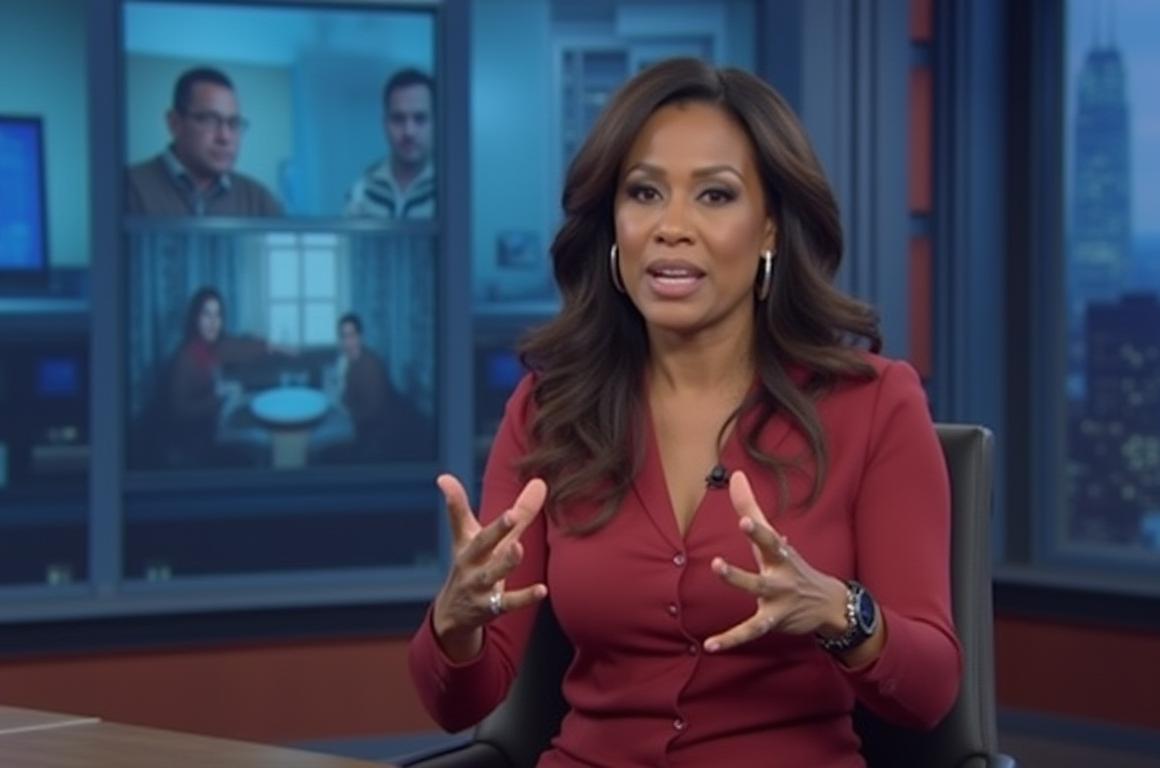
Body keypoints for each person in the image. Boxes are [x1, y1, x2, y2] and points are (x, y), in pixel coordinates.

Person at [408, 58, 960, 766]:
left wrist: (838, 612)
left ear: (770, 229)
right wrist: (455, 622)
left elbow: (930, 692)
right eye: (644, 192)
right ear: (614, 223)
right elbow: (458, 702)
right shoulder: (551, 410)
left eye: (715, 195)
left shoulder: (874, 404)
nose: (671, 227)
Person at [127, 67, 282, 217]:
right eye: (210, 120)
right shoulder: (129, 187)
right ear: (174, 123)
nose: (225, 137)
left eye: (234, 123)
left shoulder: (258, 200)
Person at [163, 286, 275, 465]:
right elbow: (179, 411)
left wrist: (264, 345)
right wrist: (218, 398)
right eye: (206, 315)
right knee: (257, 456)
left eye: (217, 315)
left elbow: (241, 349)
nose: (213, 322)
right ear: (195, 318)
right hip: (194, 445)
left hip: (214, 430)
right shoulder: (185, 357)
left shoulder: (211, 347)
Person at [343, 69, 435, 218]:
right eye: (398, 119)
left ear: (437, 123)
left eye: (420, 118)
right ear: (385, 124)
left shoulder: (450, 188)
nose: (409, 132)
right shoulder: (363, 191)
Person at [333, 313, 400, 453]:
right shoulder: (349, 361)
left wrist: (346, 413)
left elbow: (372, 412)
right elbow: (347, 395)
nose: (347, 342)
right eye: (343, 337)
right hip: (355, 422)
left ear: (360, 337)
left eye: (351, 336)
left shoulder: (370, 366)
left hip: (371, 435)